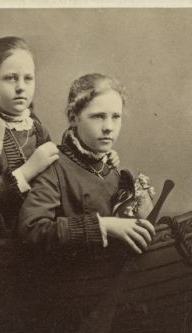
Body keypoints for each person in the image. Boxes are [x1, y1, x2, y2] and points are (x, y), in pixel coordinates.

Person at [0, 37, 122, 238]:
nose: (21, 87)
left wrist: (101, 157)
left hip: (38, 234)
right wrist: (25, 172)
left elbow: (62, 165)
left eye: (28, 78)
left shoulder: (37, 129)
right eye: (10, 78)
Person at [18, 73, 156, 255]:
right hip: (71, 278)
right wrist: (103, 226)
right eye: (98, 116)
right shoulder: (54, 166)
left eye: (116, 117)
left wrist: (139, 209)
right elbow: (31, 231)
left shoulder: (111, 168)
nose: (109, 127)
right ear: (73, 117)